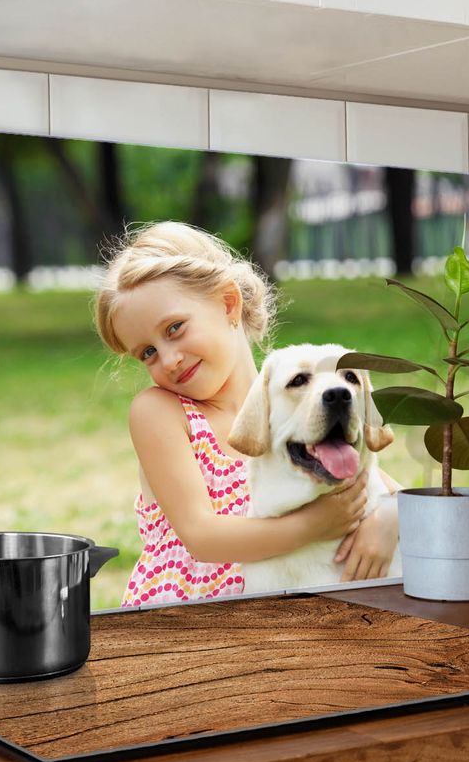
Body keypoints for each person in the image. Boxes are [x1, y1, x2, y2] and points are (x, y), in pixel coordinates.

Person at [93, 221, 400, 605]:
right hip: (186, 624)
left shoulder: (288, 402)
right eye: (148, 353)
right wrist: (315, 524)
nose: (168, 360)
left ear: (227, 303)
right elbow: (202, 537)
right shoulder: (160, 412)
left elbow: (381, 483)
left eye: (174, 328)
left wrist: (388, 518)